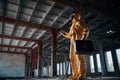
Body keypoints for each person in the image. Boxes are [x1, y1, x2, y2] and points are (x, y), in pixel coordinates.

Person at [59, 13, 89, 79]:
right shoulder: (72, 26)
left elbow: (86, 30)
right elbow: (70, 35)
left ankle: (82, 75)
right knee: (72, 59)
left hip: (79, 42)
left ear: (75, 17)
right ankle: (75, 75)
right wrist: (63, 33)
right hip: (73, 44)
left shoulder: (79, 23)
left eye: (73, 16)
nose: (71, 17)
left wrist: (83, 39)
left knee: (80, 58)